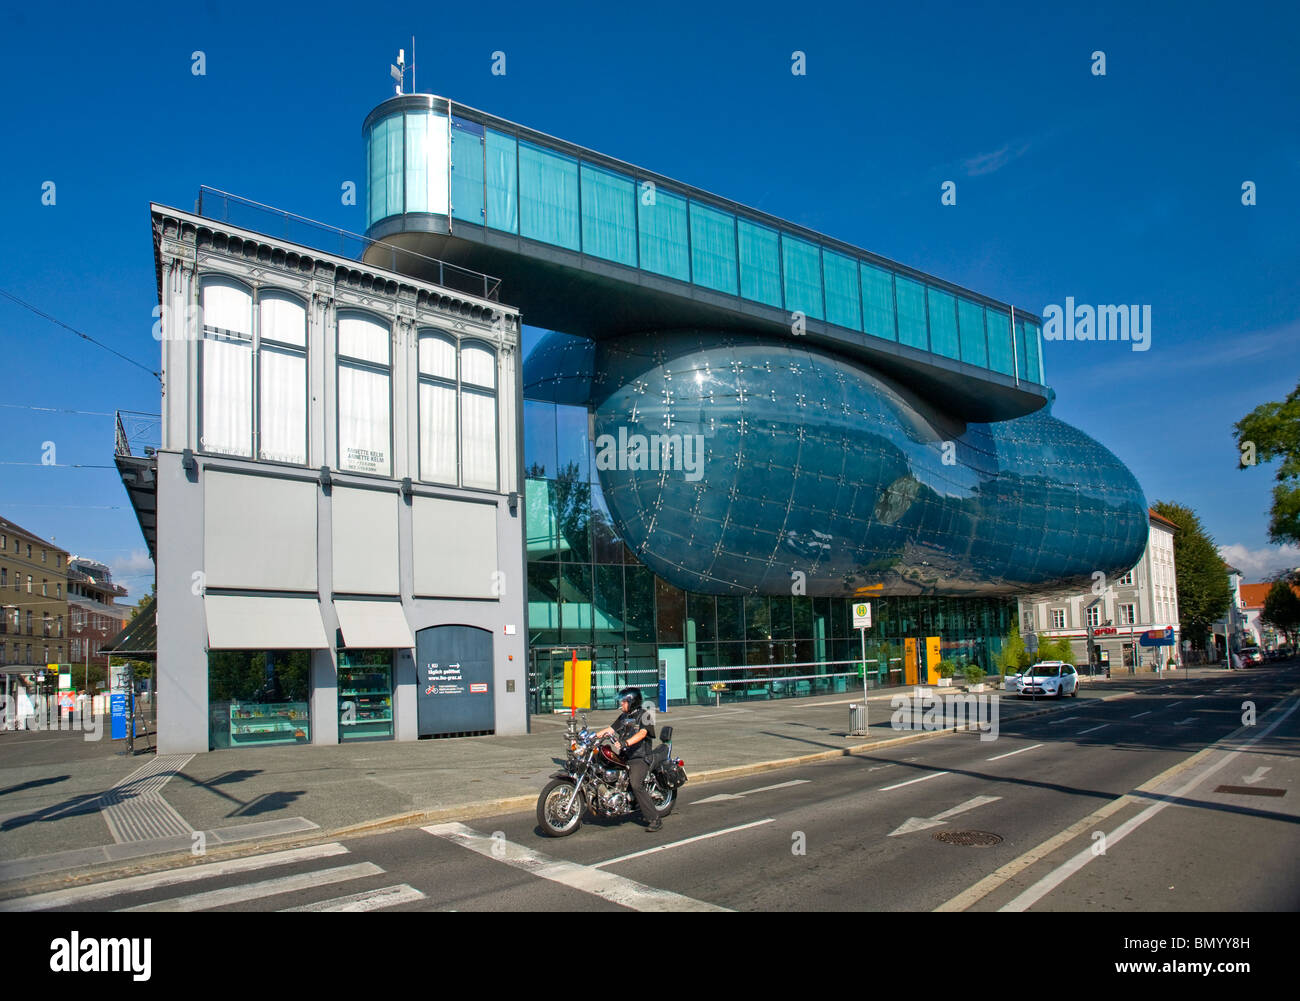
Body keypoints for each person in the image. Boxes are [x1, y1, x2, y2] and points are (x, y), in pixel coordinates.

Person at [592, 687, 662, 832]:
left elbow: (642, 733)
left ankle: (654, 819)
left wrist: (626, 743)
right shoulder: (624, 717)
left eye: (624, 701)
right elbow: (609, 730)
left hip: (640, 757)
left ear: (632, 701)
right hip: (625, 755)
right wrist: (591, 737)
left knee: (636, 784)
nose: (621, 704)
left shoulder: (645, 715)